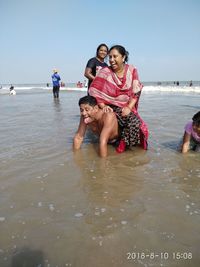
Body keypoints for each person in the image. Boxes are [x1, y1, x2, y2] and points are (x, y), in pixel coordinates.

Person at [89, 45, 148, 153]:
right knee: (133, 122)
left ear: (123, 57)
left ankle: (123, 142)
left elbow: (137, 90)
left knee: (138, 126)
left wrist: (129, 107)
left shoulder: (132, 70)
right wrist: (103, 106)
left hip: (127, 105)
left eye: (115, 56)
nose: (111, 60)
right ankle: (122, 147)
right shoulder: (105, 71)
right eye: (110, 57)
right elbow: (94, 90)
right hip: (112, 106)